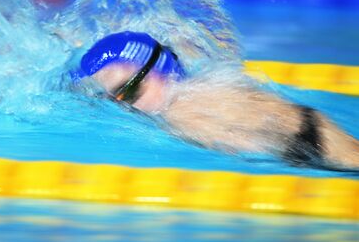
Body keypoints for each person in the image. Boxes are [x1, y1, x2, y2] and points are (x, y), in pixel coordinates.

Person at [72, 31, 359, 171]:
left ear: (160, 72)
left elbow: (251, 156)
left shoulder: (184, 113)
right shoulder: (195, 85)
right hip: (310, 129)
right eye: (112, 101)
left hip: (312, 145)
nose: (124, 108)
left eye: (129, 94)